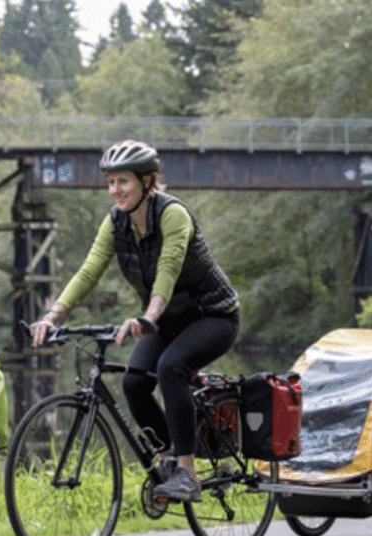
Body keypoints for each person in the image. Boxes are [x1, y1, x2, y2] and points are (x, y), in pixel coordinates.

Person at [30, 139, 240, 503]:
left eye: (123, 181)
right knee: (133, 381)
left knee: (170, 367)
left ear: (147, 180)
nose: (115, 190)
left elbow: (168, 269)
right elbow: (89, 271)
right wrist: (52, 316)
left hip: (214, 315)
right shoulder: (115, 223)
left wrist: (147, 316)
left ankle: (187, 474)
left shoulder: (173, 214)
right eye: (110, 182)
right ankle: (167, 461)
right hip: (167, 320)